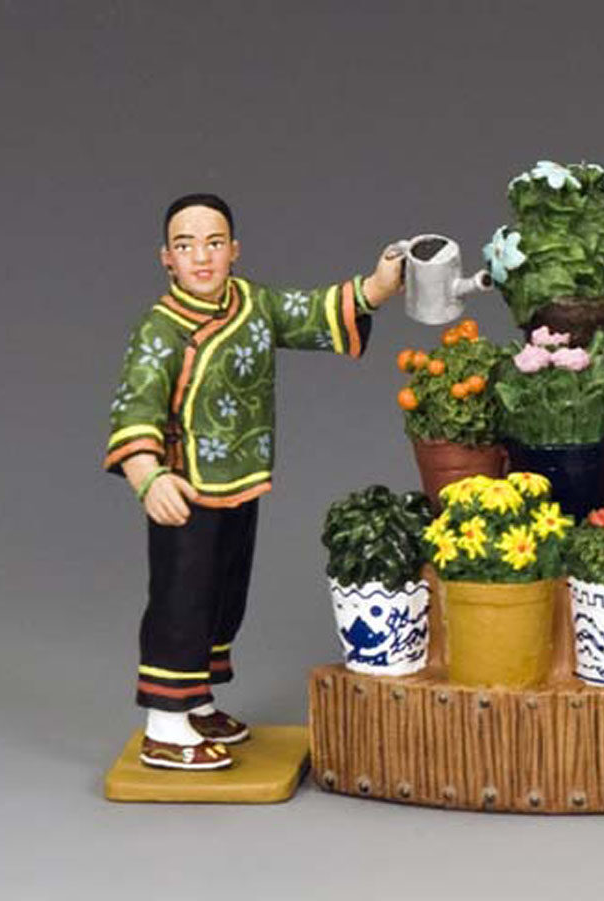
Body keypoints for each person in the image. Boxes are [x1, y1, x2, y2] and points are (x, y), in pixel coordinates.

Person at [104, 193, 403, 770]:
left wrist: (377, 287)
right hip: (186, 489)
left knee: (224, 595)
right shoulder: (159, 329)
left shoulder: (254, 303)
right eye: (186, 245)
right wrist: (148, 475)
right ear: (166, 258)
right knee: (182, 598)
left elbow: (311, 312)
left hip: (242, 479)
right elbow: (134, 406)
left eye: (214, 243)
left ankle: (196, 703)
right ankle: (164, 722)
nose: (201, 257)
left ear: (234, 250)